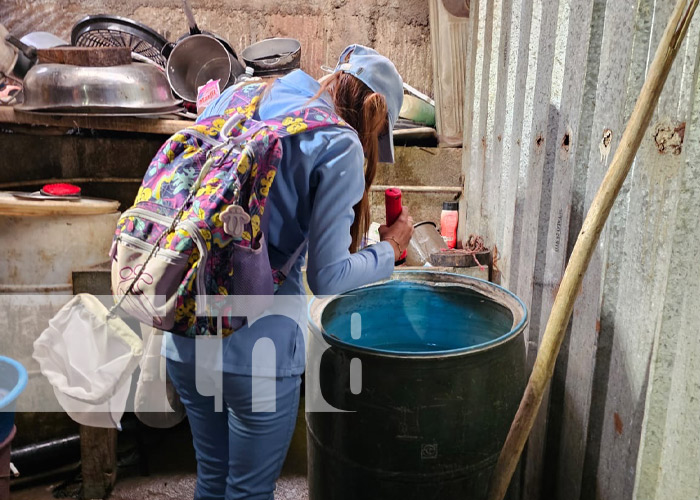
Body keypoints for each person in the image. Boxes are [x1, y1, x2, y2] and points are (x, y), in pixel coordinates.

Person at [162, 44, 414, 500]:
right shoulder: (340, 144)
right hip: (257, 350)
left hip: (184, 326)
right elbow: (329, 276)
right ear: (376, 117)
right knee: (246, 491)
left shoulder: (240, 94)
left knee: (212, 479)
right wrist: (391, 249)